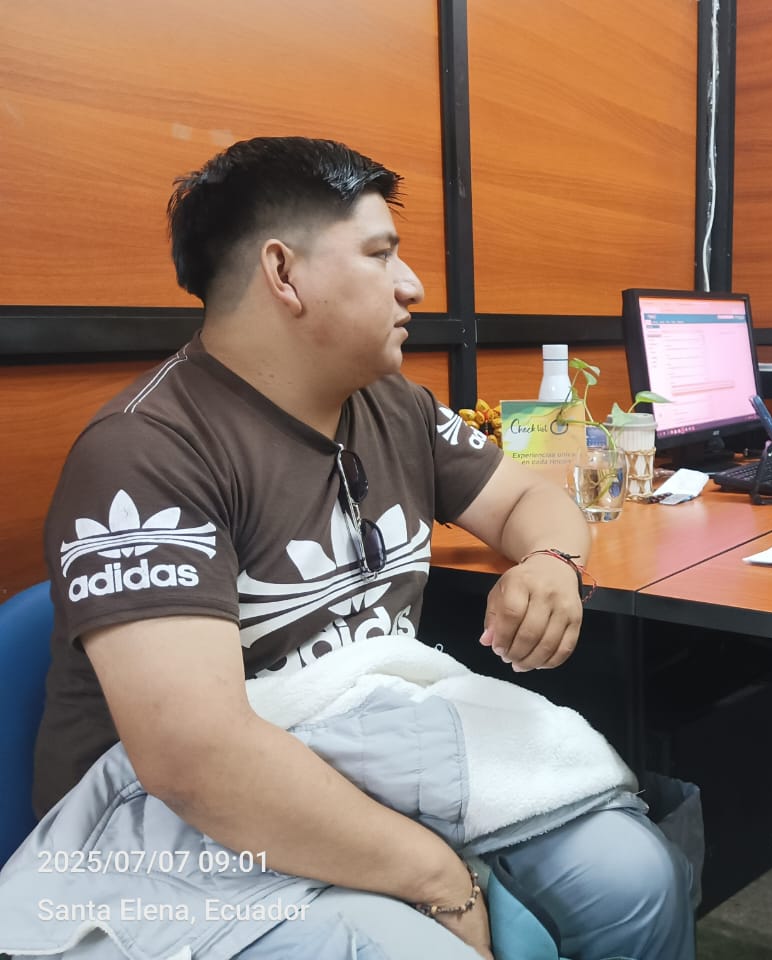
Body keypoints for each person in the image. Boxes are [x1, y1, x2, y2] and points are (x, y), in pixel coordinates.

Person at [28, 137, 693, 959]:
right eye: (381, 255)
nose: (412, 285)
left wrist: (552, 561)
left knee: (635, 877)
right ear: (283, 272)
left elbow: (531, 499)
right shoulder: (147, 452)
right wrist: (437, 877)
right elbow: (194, 760)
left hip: (373, 757)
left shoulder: (393, 405)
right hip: (174, 824)